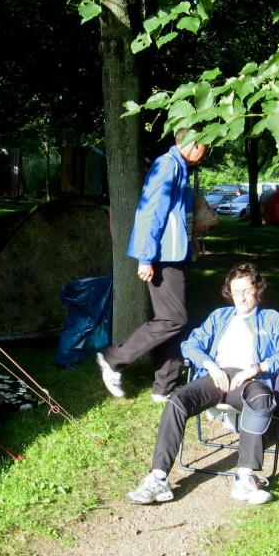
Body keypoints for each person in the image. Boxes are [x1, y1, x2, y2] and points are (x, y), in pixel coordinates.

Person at [126, 262, 279, 506]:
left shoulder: (272, 319)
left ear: (258, 290)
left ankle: (244, 478)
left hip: (250, 381)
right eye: (236, 291)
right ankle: (158, 478)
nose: (241, 297)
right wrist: (211, 366)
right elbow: (190, 344)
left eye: (246, 291)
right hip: (216, 377)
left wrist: (256, 368)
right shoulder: (220, 316)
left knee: (260, 398)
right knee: (177, 400)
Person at [96, 128, 207, 402]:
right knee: (173, 319)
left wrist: (191, 241)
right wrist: (145, 258)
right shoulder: (167, 166)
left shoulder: (181, 167)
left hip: (174, 255)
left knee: (175, 321)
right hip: (161, 258)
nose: (208, 150)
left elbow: (176, 216)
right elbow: (150, 212)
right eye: (206, 145)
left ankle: (164, 387)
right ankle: (113, 359)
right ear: (193, 144)